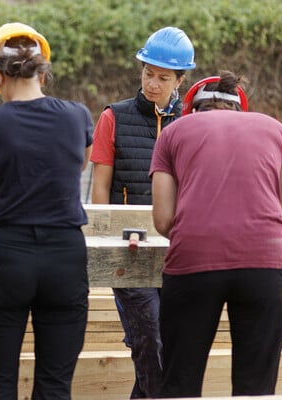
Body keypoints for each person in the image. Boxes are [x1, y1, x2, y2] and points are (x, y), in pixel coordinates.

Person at [0, 22, 93, 399]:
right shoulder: (77, 116)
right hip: (65, 256)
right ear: (44, 72)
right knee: (55, 385)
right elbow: (78, 164)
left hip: (8, 256)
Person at [150, 70, 282, 397]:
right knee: (256, 389)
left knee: (180, 385)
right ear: (239, 109)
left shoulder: (174, 132)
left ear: (192, 109)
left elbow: (163, 219)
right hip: (264, 264)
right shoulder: (277, 130)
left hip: (192, 263)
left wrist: (202, 224)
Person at [89, 26, 195, 398]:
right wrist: (102, 237)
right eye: (148, 73)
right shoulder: (113, 117)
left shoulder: (194, 124)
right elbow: (99, 187)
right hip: (128, 248)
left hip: (180, 249)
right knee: (149, 337)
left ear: (180, 80)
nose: (152, 83)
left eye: (163, 77)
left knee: (165, 342)